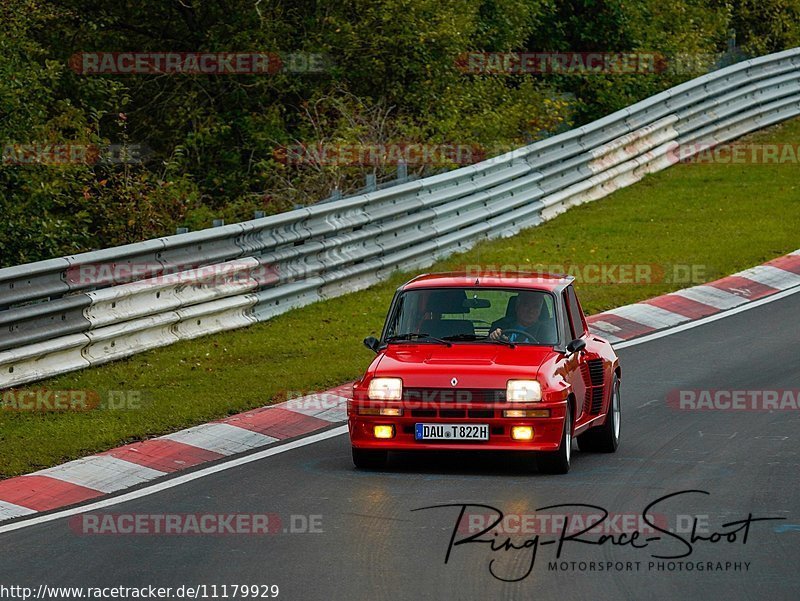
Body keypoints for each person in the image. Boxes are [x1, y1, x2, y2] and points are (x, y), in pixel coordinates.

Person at [489, 292, 556, 344]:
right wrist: (493, 337)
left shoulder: (547, 332)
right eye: (526, 305)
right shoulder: (500, 326)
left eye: (536, 307)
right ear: (517, 305)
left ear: (540, 310)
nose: (531, 310)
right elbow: (487, 349)